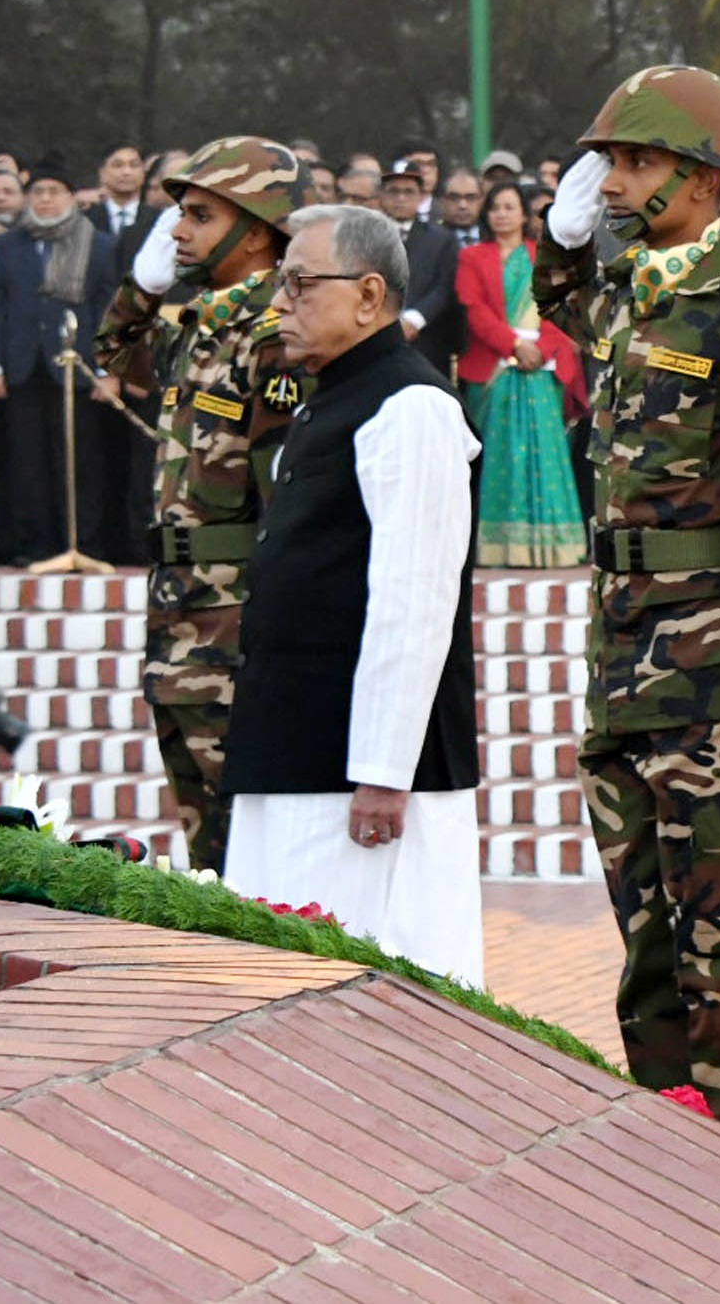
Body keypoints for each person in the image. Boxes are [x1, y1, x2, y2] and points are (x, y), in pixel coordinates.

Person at [534, 65, 720, 1142]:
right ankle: (671, 1169)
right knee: (646, 955)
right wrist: (564, 238)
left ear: (705, 182)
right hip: (623, 673)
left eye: (637, 160)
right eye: (610, 159)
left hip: (712, 687)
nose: (613, 179)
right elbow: (559, 298)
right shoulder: (632, 295)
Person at [224, 203, 484, 985]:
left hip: (359, 784)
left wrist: (382, 770)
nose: (279, 304)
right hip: (296, 745)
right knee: (272, 988)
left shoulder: (412, 407)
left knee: (363, 996)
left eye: (299, 284)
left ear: (370, 296)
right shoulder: (326, 403)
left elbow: (414, 600)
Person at [93, 135, 311, 877]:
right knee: (208, 850)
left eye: (198, 215)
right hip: (177, 612)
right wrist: (143, 288)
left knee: (251, 852)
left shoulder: (275, 337)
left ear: (255, 231)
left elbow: (289, 497)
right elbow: (116, 353)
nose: (178, 231)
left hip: (235, 624)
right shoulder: (201, 326)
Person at [0, 157, 118, 564]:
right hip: (22, 367)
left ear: (71, 197)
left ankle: (83, 542)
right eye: (38, 192)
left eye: (54, 192)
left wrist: (109, 369)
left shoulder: (99, 243)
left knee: (79, 461)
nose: (46, 199)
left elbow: (110, 310)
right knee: (27, 463)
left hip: (78, 368)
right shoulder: (8, 244)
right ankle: (34, 544)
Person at [455, 182, 587, 568]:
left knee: (544, 456)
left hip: (540, 370)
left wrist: (540, 349)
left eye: (509, 207)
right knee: (496, 454)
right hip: (494, 366)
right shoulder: (472, 258)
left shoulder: (541, 258)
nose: (501, 214)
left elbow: (559, 309)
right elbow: (474, 309)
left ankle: (551, 548)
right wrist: (514, 347)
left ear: (523, 215)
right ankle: (496, 546)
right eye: (494, 207)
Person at [380, 159, 462, 380]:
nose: (400, 198)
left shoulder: (441, 239)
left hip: (426, 343)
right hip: (376, 340)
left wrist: (416, 319)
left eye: (408, 191)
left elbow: (446, 286)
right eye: (393, 191)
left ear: (421, 196)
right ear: (382, 196)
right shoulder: (368, 236)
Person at [88, 144, 148, 242]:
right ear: (102, 173)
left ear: (143, 173)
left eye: (134, 165)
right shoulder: (86, 220)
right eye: (118, 165)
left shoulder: (159, 220)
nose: (126, 172)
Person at [439, 170, 485, 247]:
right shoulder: (432, 241)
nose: (463, 205)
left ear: (482, 201)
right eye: (454, 198)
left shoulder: (496, 237)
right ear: (443, 201)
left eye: (470, 198)